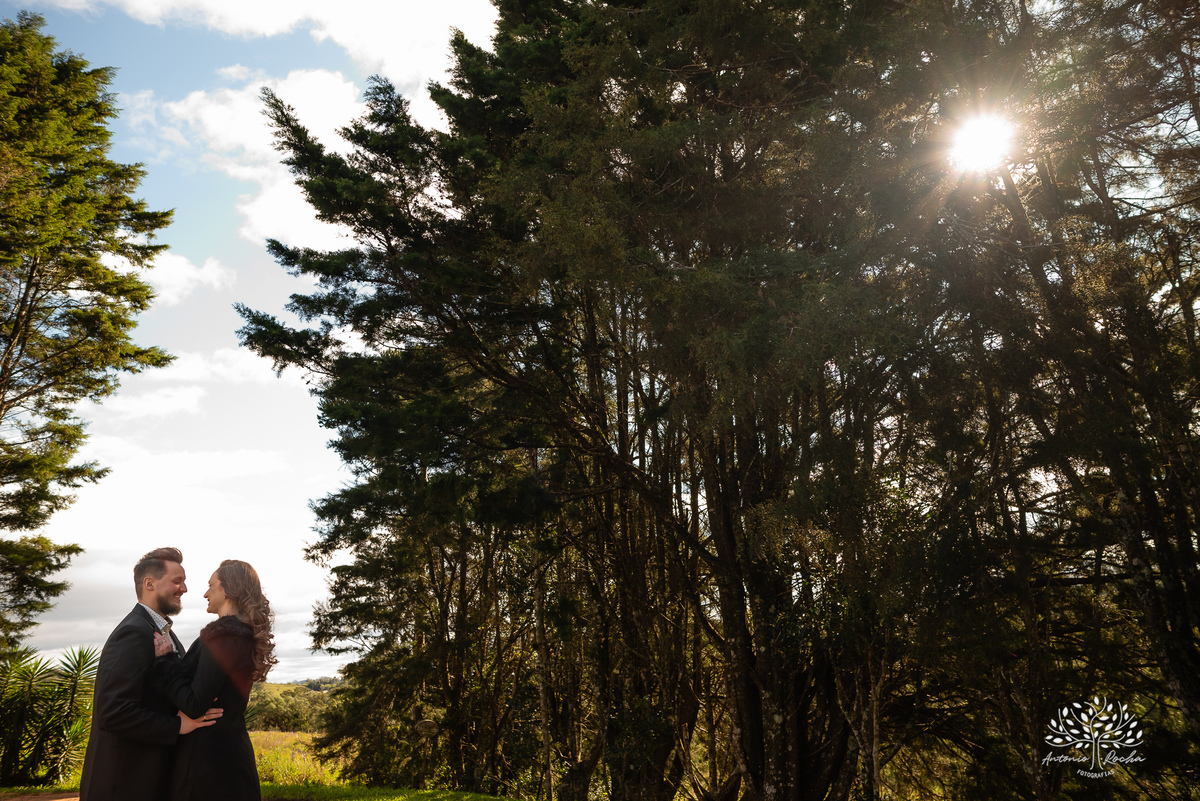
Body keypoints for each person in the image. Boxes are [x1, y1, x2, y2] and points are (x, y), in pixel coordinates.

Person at [79, 547, 222, 801]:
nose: (185, 589)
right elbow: (112, 711)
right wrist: (177, 725)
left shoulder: (162, 631)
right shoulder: (133, 632)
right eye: (177, 581)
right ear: (149, 584)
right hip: (125, 786)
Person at [154, 559, 278, 801]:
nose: (205, 593)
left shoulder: (224, 637)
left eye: (211, 585)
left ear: (228, 589)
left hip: (210, 766)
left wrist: (165, 661)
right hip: (229, 756)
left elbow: (194, 704)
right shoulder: (239, 634)